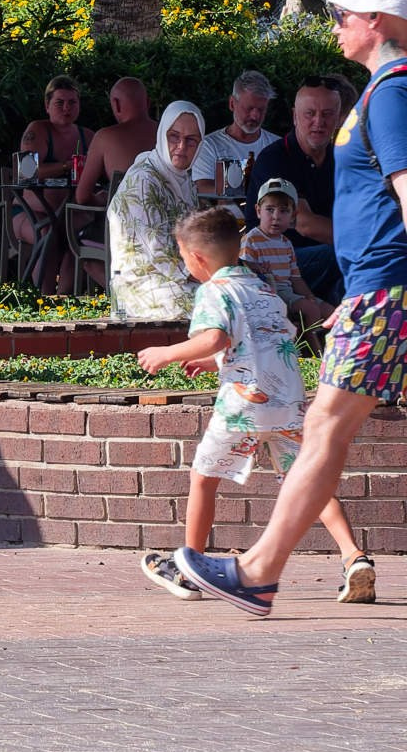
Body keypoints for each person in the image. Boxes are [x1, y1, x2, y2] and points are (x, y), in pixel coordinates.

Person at [177, 0, 407, 616]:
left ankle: (258, 573)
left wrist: (377, 295)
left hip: (386, 291)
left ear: (378, 20)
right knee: (325, 429)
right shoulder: (389, 88)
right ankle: (259, 572)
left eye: (343, 15)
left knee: (325, 428)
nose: (334, 27)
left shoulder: (391, 90)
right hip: (381, 292)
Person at [135, 205, 371, 604]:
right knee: (308, 480)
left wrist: (167, 352)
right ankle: (354, 557)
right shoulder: (262, 286)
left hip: (243, 406)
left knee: (204, 479)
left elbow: (213, 336)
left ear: (196, 258)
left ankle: (190, 568)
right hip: (289, 402)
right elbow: (258, 339)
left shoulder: (213, 290)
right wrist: (215, 362)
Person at [251, 76, 348, 306]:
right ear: (295, 116)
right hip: (271, 263)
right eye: (310, 113)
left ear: (339, 117)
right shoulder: (276, 158)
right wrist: (364, 242)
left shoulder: (342, 158)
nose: (319, 122)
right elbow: (305, 224)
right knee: (348, 254)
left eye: (327, 114)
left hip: (317, 259)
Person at [105, 100, 206, 321]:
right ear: (162, 135)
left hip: (177, 279)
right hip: (138, 287)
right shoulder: (144, 179)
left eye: (191, 140)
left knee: (237, 295)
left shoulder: (184, 180)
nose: (181, 147)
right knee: (219, 304)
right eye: (174, 137)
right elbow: (160, 253)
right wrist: (211, 276)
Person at [10, 74, 92, 291]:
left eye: (72, 102)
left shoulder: (88, 137)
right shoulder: (37, 130)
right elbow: (25, 172)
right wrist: (67, 166)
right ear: (47, 105)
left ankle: (65, 304)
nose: (66, 108)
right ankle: (41, 301)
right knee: (49, 234)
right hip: (27, 214)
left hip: (69, 214)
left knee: (80, 236)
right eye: (60, 102)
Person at [241, 180, 324, 327]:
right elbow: (244, 274)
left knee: (328, 310)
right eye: (270, 209)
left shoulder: (286, 243)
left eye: (284, 211)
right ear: (258, 211)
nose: (276, 216)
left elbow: (295, 278)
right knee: (311, 310)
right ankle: (312, 348)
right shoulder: (251, 240)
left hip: (288, 292)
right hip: (268, 294)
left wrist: (309, 296)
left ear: (293, 216)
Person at [193, 69, 280, 200]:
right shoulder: (209, 145)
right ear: (232, 103)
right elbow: (201, 187)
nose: (255, 116)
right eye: (249, 108)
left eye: (261, 109)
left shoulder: (277, 146)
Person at [75, 75, 157, 207]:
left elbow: (82, 196)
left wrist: (103, 199)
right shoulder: (168, 134)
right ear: (147, 102)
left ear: (116, 104)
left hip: (125, 224)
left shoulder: (104, 137)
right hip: (171, 220)